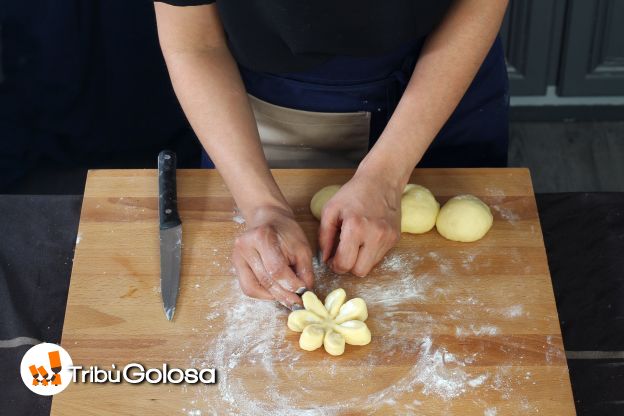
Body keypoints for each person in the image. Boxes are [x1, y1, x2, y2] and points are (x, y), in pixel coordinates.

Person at [153, 1, 510, 310]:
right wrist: (264, 207)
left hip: (446, 68)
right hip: (271, 97)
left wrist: (386, 176)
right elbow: (194, 43)